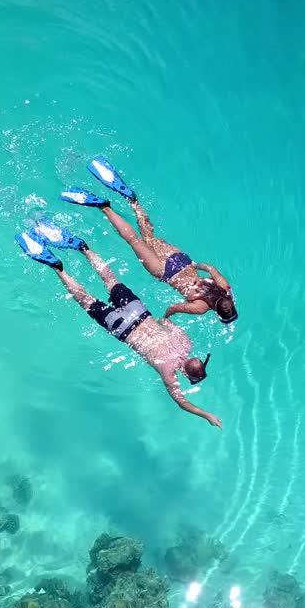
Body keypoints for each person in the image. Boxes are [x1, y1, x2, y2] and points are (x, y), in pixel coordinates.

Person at [15, 222, 223, 428]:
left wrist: (162, 320)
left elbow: (165, 320)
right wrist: (206, 415)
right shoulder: (168, 371)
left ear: (197, 359)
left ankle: (83, 248)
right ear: (185, 374)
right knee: (86, 300)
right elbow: (181, 401)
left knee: (110, 279)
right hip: (123, 329)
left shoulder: (185, 342)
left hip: (139, 313)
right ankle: (58, 268)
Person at [61, 158, 238, 324]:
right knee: (134, 240)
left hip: (180, 260)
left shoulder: (224, 287)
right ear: (216, 313)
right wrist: (166, 318)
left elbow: (210, 268)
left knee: (149, 236)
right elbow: (174, 307)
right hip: (164, 272)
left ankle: (132, 200)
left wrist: (194, 265)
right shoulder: (201, 308)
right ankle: (104, 207)